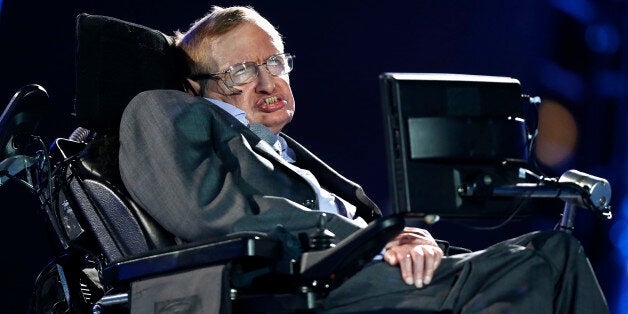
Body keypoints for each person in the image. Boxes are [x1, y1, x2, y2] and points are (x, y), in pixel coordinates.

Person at [117, 5, 609, 313]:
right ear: (196, 88)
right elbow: (211, 217)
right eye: (242, 71)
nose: (268, 83)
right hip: (298, 285)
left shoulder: (283, 155)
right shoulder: (162, 110)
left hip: (357, 271)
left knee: (548, 258)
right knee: (548, 261)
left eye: (274, 62)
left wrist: (400, 233)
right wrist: (379, 239)